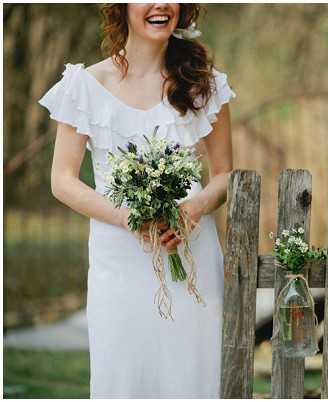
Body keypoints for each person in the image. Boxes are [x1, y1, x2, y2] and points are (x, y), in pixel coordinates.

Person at [37, 3, 235, 398]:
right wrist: (129, 217)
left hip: (191, 253)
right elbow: (62, 180)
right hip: (119, 259)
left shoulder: (203, 83)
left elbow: (226, 176)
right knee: (124, 374)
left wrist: (192, 210)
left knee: (192, 374)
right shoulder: (86, 85)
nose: (162, 4)